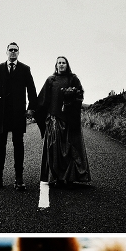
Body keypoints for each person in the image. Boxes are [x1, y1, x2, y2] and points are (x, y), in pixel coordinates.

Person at [36, 56, 92, 209]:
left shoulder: (73, 79)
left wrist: (71, 99)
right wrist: (35, 110)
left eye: (64, 63)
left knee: (69, 149)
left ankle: (70, 179)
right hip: (53, 119)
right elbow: (42, 99)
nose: (61, 65)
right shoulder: (50, 80)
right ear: (56, 65)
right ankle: (58, 179)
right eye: (59, 63)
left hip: (69, 120)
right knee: (55, 149)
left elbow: (80, 95)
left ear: (67, 65)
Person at [0, 42, 39, 191]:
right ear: (6, 52)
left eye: (16, 50)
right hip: (2, 113)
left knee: (18, 146)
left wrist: (31, 109)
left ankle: (19, 179)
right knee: (0, 147)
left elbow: (32, 91)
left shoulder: (25, 69)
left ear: (18, 53)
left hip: (18, 114)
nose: (13, 52)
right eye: (11, 50)